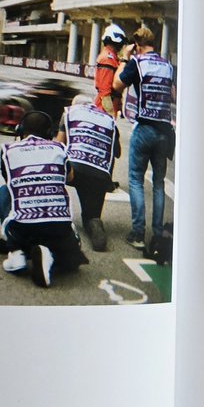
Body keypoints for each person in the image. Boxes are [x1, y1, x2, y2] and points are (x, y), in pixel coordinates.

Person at [0, 110, 88, 287]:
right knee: (70, 263)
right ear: (49, 133)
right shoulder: (60, 149)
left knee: (3, 192)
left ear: (20, 129)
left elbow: (10, 182)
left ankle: (17, 253)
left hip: (22, 230)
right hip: (58, 229)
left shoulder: (8, 151)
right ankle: (47, 252)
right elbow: (69, 178)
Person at [111, 25, 175, 249]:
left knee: (136, 180)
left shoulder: (137, 62)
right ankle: (158, 234)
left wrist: (124, 59)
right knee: (158, 184)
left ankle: (138, 234)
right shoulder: (167, 65)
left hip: (145, 127)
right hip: (165, 130)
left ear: (137, 45)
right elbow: (173, 94)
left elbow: (116, 85)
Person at [56, 94, 121, 251]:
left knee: (54, 173)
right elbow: (117, 153)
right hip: (100, 174)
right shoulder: (109, 121)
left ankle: (56, 214)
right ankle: (95, 224)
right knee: (91, 216)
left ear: (76, 105)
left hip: (75, 169)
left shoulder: (70, 114)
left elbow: (58, 145)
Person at [94, 23, 126, 118]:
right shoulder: (108, 59)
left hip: (109, 106)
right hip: (103, 111)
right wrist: (110, 115)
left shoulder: (111, 57)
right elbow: (105, 93)